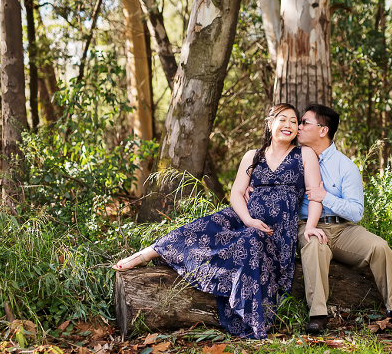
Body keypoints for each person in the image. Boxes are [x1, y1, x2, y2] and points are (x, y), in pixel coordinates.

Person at [114, 103, 326, 339]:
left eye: (294, 121)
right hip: (243, 217)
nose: (289, 125)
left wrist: (310, 227)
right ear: (269, 123)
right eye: (282, 119)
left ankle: (250, 318)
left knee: (251, 242)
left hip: (274, 230)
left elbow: (314, 194)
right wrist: (248, 219)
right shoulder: (252, 156)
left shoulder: (304, 154)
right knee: (200, 228)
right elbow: (236, 193)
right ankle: (151, 252)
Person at [295, 103, 392, 334]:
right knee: (314, 246)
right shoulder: (294, 159)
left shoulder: (345, 167)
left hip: (343, 229)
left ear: (322, 130)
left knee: (380, 247)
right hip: (308, 225)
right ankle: (318, 315)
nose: (298, 127)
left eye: (304, 123)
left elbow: (356, 212)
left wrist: (325, 196)